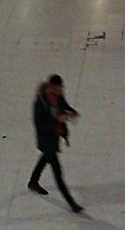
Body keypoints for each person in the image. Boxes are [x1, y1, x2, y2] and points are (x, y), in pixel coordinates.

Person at [28, 75, 84, 214]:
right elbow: (40, 125)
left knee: (45, 158)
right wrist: (58, 119)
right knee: (58, 173)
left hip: (54, 136)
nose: (60, 92)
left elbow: (63, 105)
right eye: (57, 89)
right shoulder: (40, 103)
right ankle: (72, 203)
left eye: (61, 89)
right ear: (50, 87)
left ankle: (33, 182)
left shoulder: (57, 95)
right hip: (46, 138)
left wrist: (70, 112)